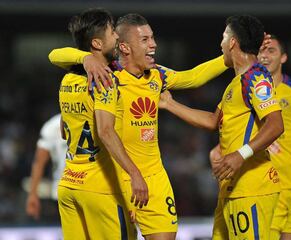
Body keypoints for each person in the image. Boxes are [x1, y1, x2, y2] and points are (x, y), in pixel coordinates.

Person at [49, 13, 228, 240]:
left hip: (154, 177)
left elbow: (192, 77)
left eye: (152, 38)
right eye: (144, 40)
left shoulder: (156, 75)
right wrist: (86, 58)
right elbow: (55, 55)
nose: (153, 44)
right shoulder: (106, 76)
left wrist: (229, 58)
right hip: (119, 177)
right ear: (124, 47)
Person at [159, 15, 284, 239]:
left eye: (224, 37)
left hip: (252, 189)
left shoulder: (256, 78)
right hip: (232, 188)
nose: (221, 44)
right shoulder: (236, 83)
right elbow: (212, 121)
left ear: (233, 42)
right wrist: (170, 104)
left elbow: (276, 124)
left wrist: (240, 154)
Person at [55, 8, 148, 239]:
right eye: (111, 32)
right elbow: (105, 131)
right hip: (101, 190)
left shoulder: (67, 79)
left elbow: (63, 131)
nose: (117, 36)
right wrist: (135, 175)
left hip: (69, 186)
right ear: (97, 43)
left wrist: (83, 58)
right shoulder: (104, 81)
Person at [258, 35, 291, 240]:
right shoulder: (252, 90)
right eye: (260, 51)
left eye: (271, 51)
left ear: (283, 58)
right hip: (269, 185)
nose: (264, 56)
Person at [26, 114, 67, 220]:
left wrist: (33, 194)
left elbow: (39, 162)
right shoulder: (52, 126)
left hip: (69, 188)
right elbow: (39, 162)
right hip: (63, 189)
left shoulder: (97, 117)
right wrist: (33, 194)